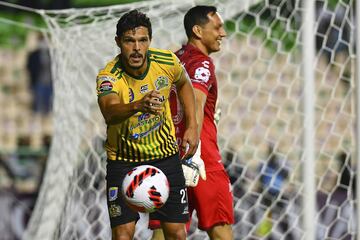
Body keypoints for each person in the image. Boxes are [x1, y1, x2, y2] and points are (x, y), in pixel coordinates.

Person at [96, 10, 200, 240]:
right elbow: (109, 110)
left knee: (176, 233)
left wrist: (193, 125)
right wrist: (137, 105)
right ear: (118, 42)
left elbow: (184, 83)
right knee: (123, 235)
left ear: (149, 41)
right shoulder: (108, 76)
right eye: (129, 41)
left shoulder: (166, 62)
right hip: (123, 163)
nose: (136, 48)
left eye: (142, 40)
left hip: (165, 158)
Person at [150, 5, 234, 240]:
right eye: (217, 27)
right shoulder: (203, 63)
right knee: (220, 228)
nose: (223, 33)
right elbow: (196, 100)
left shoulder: (172, 60)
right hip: (200, 158)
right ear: (198, 30)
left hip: (169, 157)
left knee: (165, 232)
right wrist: (194, 131)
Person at [26, 33, 53, 115]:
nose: (44, 43)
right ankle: (36, 114)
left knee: (48, 100)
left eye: (45, 41)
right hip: (38, 81)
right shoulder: (33, 54)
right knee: (37, 100)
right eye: (42, 40)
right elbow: (29, 67)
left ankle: (47, 115)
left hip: (50, 81)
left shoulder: (52, 53)